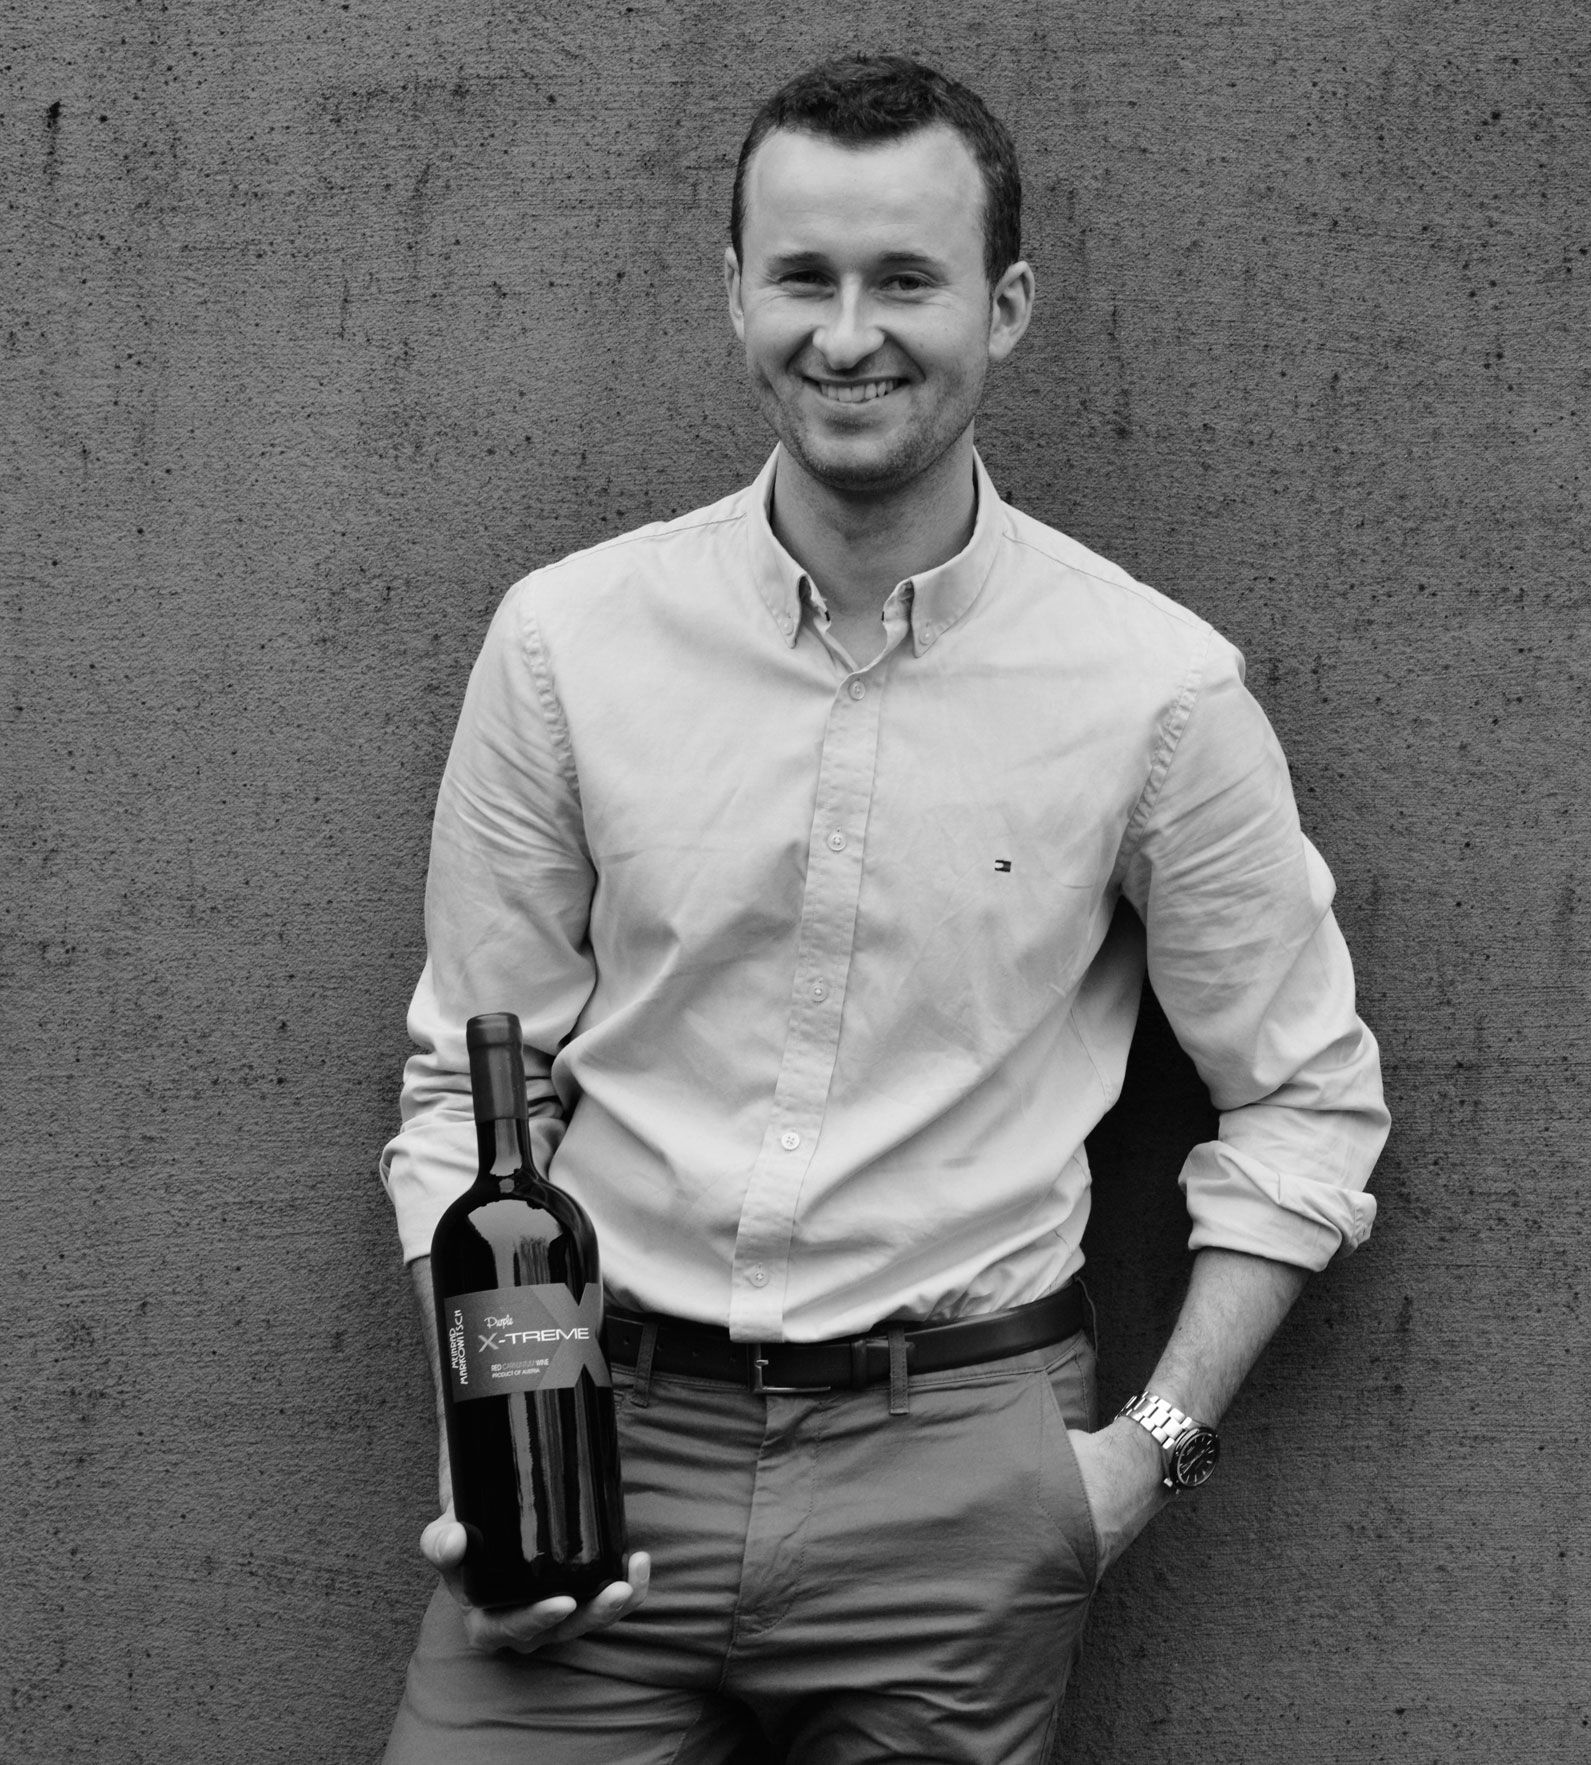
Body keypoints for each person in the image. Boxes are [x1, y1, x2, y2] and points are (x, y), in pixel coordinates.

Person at [374, 53, 1387, 1763]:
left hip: (963, 1472)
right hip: (596, 1450)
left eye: (906, 279)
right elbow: (465, 1092)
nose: (848, 335)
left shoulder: (1154, 691)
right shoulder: (566, 644)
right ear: (736, 295)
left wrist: (1140, 1460)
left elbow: (1308, 1100)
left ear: (1007, 306)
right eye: (805, 278)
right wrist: (506, 1445)